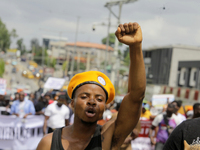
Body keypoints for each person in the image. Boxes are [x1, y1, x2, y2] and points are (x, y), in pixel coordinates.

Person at [37, 22, 146, 150]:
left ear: (104, 107)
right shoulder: (48, 143)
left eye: (99, 99)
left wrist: (135, 46)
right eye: (84, 96)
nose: (92, 102)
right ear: (72, 103)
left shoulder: (108, 137)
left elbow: (136, 97)